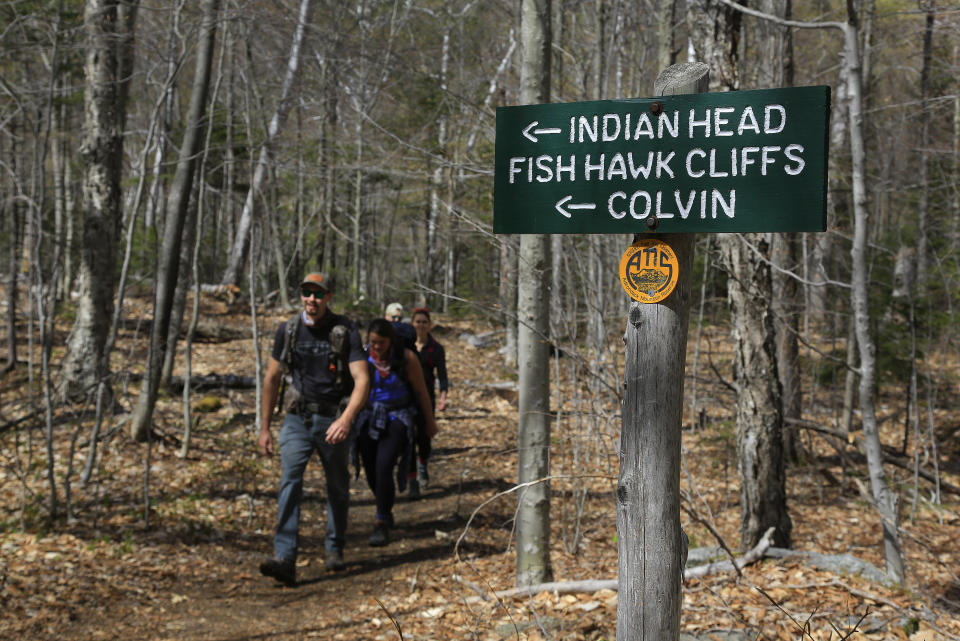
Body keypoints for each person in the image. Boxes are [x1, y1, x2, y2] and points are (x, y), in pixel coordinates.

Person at [258, 273, 370, 586]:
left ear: (329, 297)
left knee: (336, 485)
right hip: (297, 418)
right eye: (307, 293)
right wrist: (265, 428)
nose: (312, 300)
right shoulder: (288, 330)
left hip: (333, 419)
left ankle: (334, 548)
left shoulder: (344, 330)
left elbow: (362, 379)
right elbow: (271, 378)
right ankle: (285, 557)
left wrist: (346, 419)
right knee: (290, 480)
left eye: (318, 295)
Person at [354, 318, 438, 546]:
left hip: (398, 418)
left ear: (391, 341)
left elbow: (422, 393)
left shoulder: (406, 359)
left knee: (384, 464)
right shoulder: (363, 357)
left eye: (381, 342)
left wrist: (429, 423)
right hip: (368, 417)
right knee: (371, 468)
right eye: (373, 342)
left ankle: (381, 520)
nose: (377, 347)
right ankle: (384, 503)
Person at [410, 307, 448, 494]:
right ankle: (411, 477)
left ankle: (422, 466)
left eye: (425, 322)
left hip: (426, 398)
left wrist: (443, 397)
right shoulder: (405, 345)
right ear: (412, 324)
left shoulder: (436, 349)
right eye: (418, 322)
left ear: (430, 325)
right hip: (406, 397)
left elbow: (442, 374)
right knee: (407, 436)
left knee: (424, 437)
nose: (421, 325)